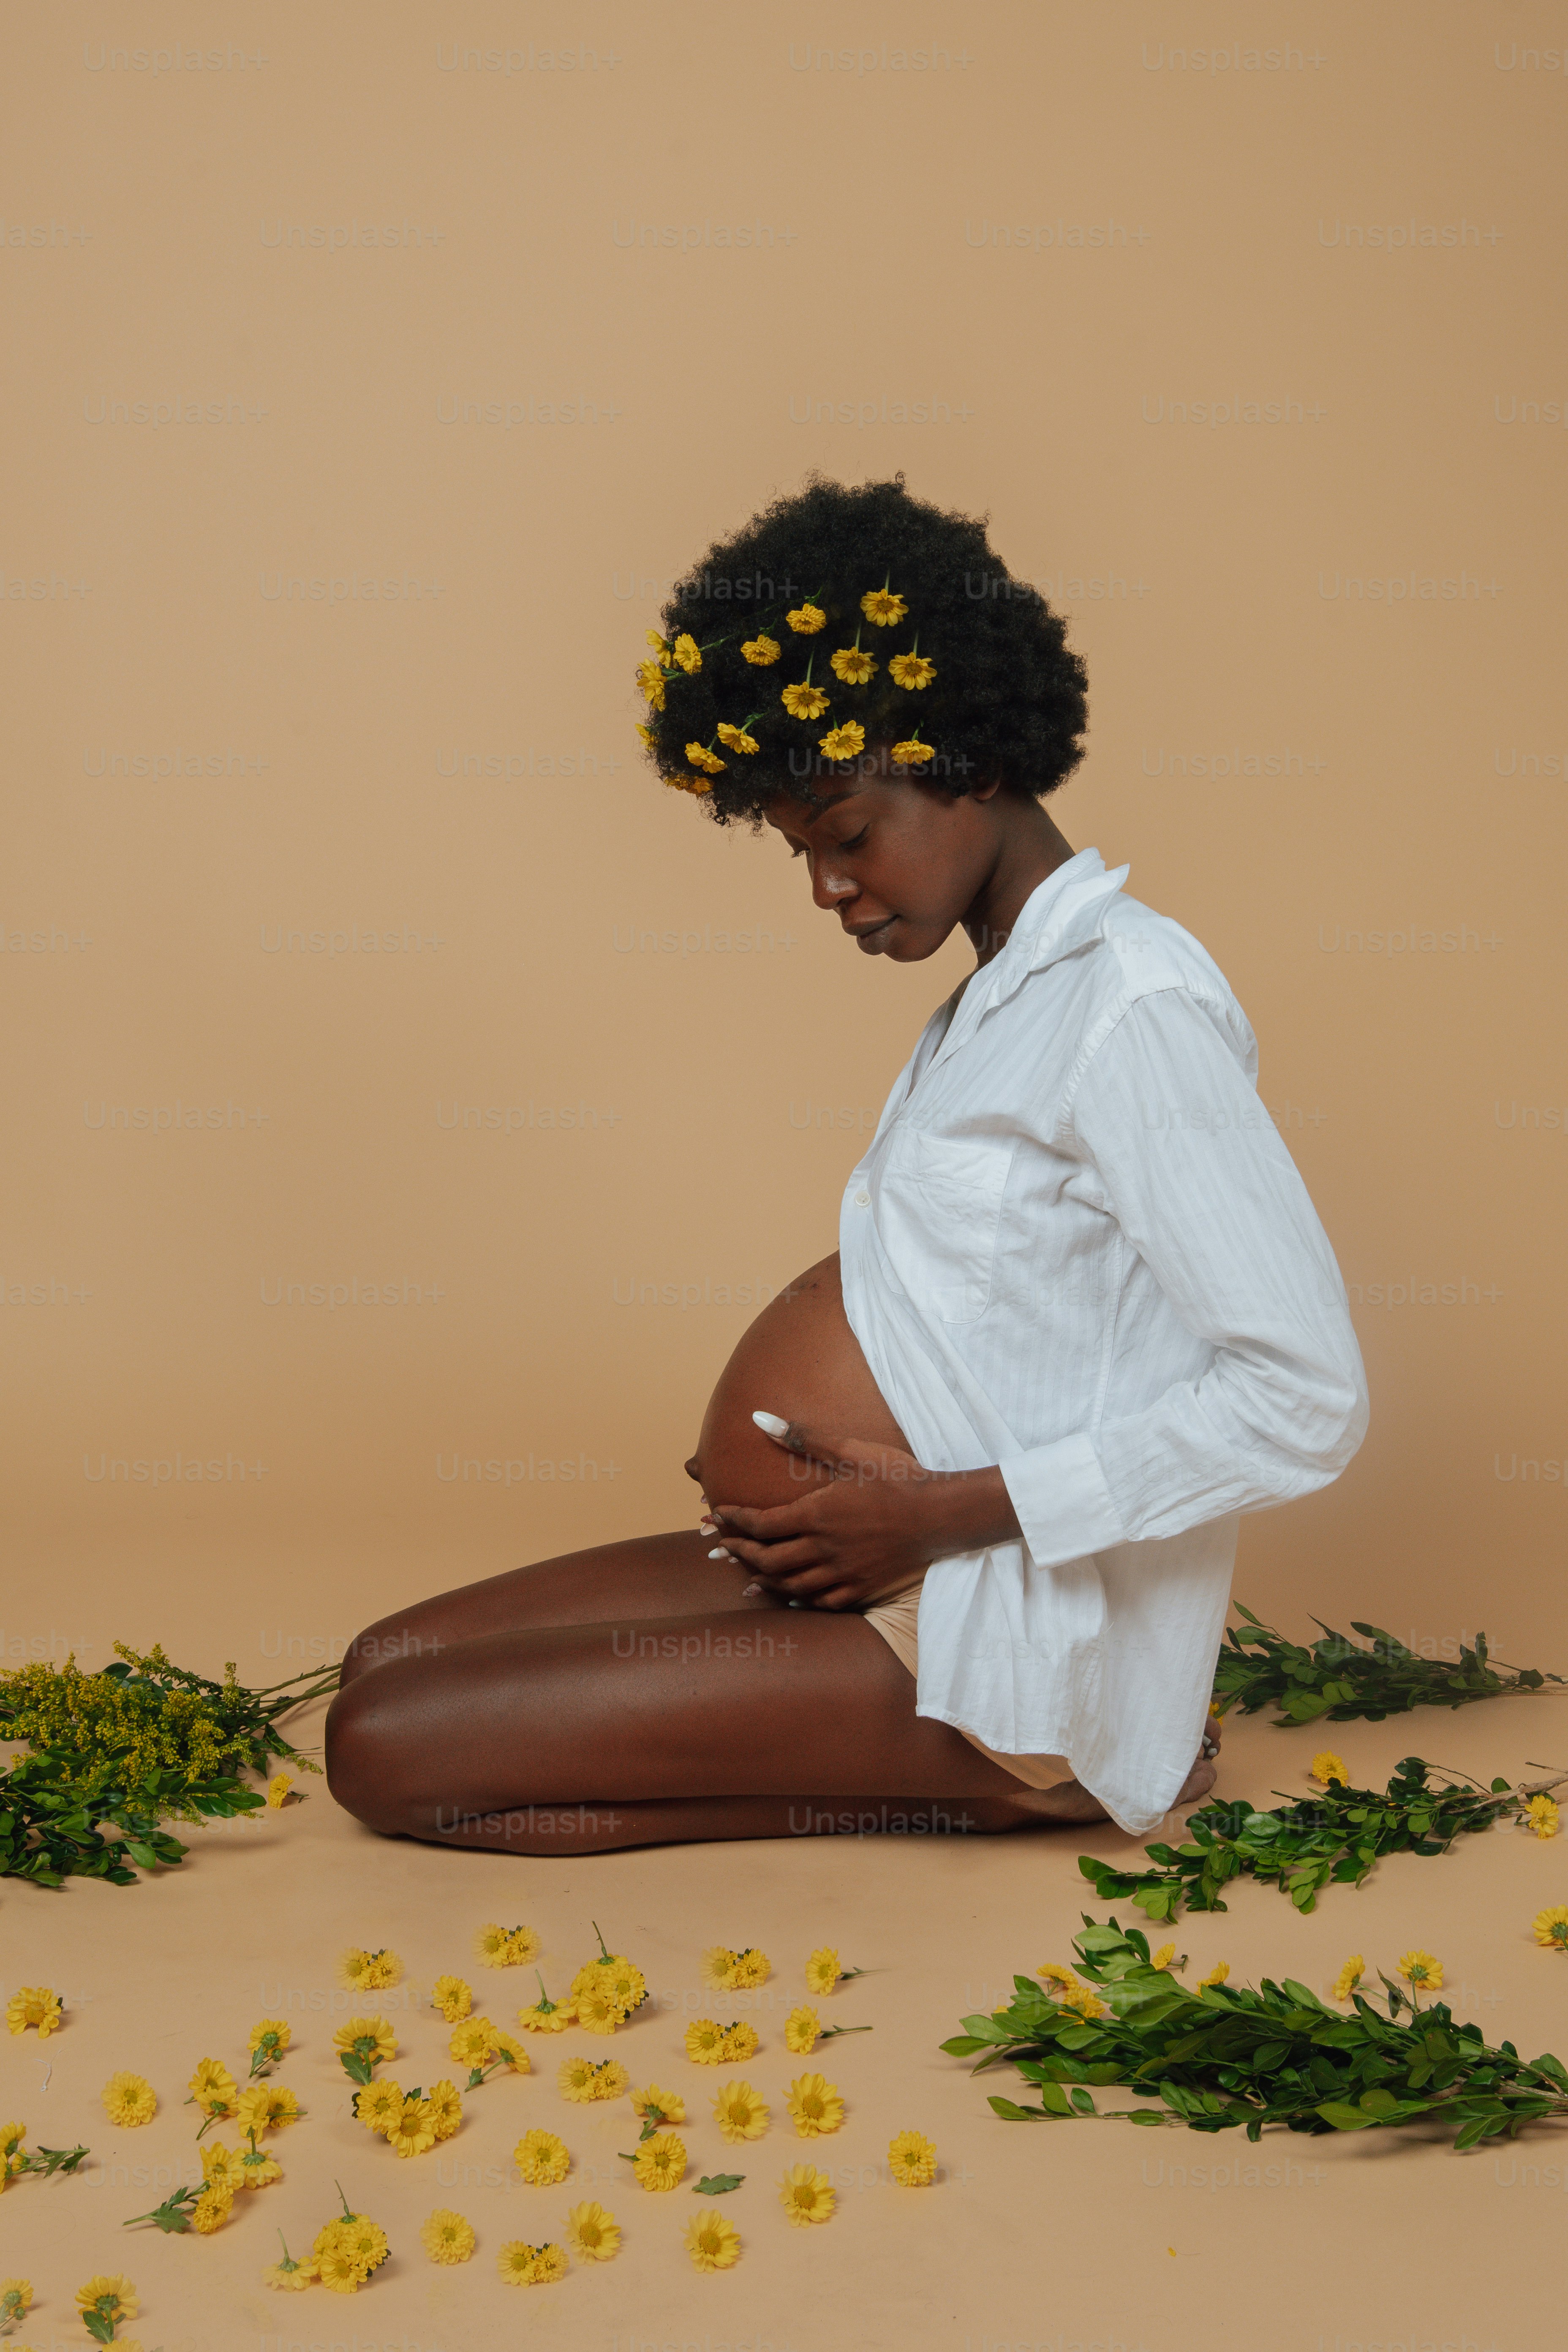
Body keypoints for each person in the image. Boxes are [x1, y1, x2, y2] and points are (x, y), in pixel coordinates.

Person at [325, 474, 1367, 1854]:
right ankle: (906, 1769)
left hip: (988, 1631)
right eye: (800, 850)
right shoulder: (999, 1000)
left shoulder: (1133, 1010)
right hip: (871, 1574)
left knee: (385, 1750)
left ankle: (1036, 1771)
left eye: (847, 833)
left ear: (973, 759)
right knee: (383, 1664)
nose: (825, 888)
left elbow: (1305, 1399)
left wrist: (934, 1519)